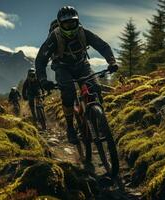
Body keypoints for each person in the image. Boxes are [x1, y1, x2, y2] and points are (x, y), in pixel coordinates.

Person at [35, 6, 118, 144]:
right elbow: (41, 60)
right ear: (60, 24)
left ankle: (99, 119)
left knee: (95, 88)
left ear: (77, 21)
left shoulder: (83, 32)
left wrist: (112, 62)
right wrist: (43, 80)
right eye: (66, 23)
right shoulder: (54, 37)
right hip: (62, 67)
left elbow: (102, 46)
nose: (70, 26)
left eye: (72, 22)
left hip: (82, 65)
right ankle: (70, 128)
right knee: (68, 93)